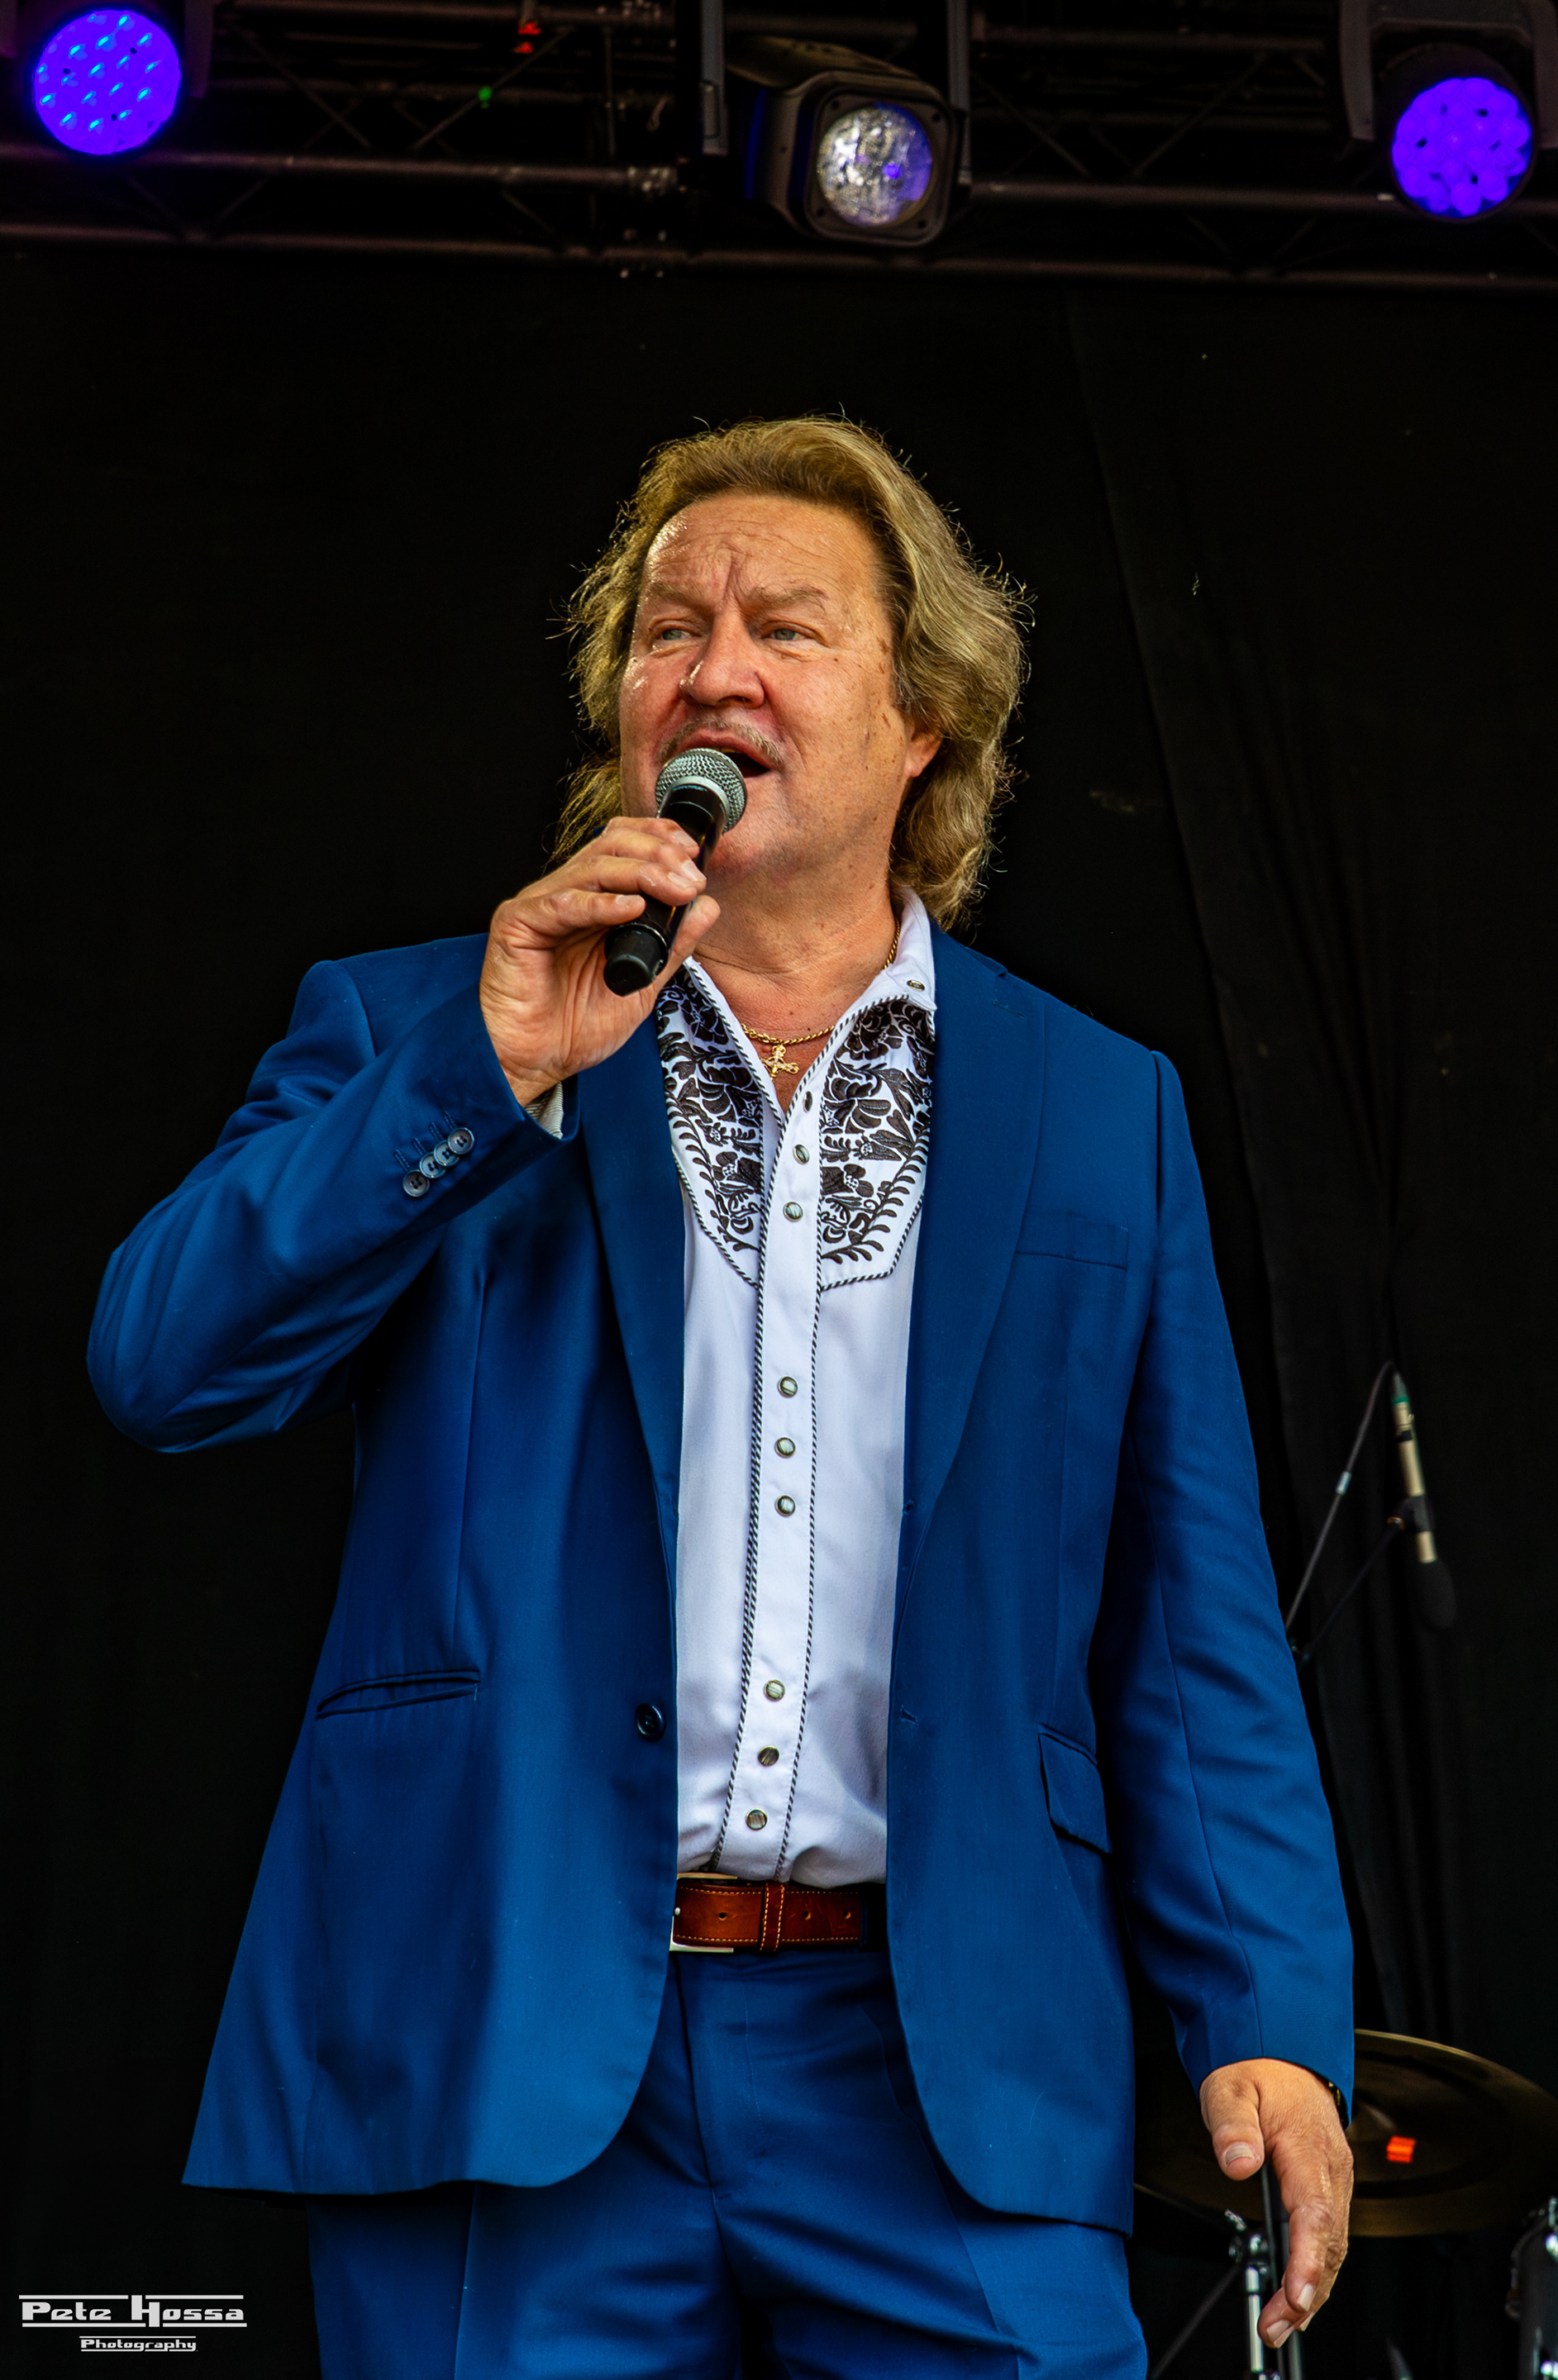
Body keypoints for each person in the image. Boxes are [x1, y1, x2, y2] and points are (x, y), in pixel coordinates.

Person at [90, 416, 1354, 2378]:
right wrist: (483, 1072)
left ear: (925, 720)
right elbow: (163, 1366)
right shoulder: (432, 1024)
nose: (715, 670)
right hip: (509, 2019)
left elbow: (1192, 1628)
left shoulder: (1103, 1110)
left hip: (943, 2060)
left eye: (788, 628)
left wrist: (1265, 2012)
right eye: (669, 630)